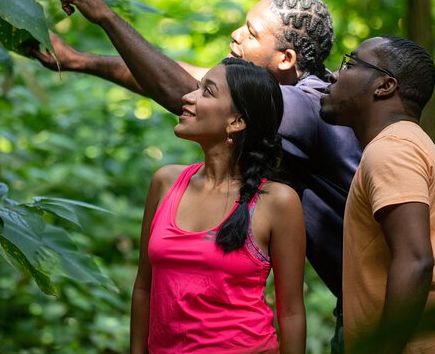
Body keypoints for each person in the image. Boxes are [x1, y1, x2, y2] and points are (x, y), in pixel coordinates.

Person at [29, 0, 361, 351]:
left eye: (251, 33)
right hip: (356, 302)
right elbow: (181, 78)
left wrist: (105, 17)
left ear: (285, 59)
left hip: (390, 304)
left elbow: (176, 86)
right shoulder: (250, 109)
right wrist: (80, 61)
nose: (235, 35)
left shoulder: (306, 107)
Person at [319, 36, 435, 353]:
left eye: (350, 63)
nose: (333, 74)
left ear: (384, 86)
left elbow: (415, 261)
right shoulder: (407, 143)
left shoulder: (392, 149)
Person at [131, 57, 306, 353]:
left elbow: (291, 311)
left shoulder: (277, 201)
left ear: (236, 122)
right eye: (197, 88)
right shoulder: (165, 181)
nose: (188, 97)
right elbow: (143, 288)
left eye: (206, 92)